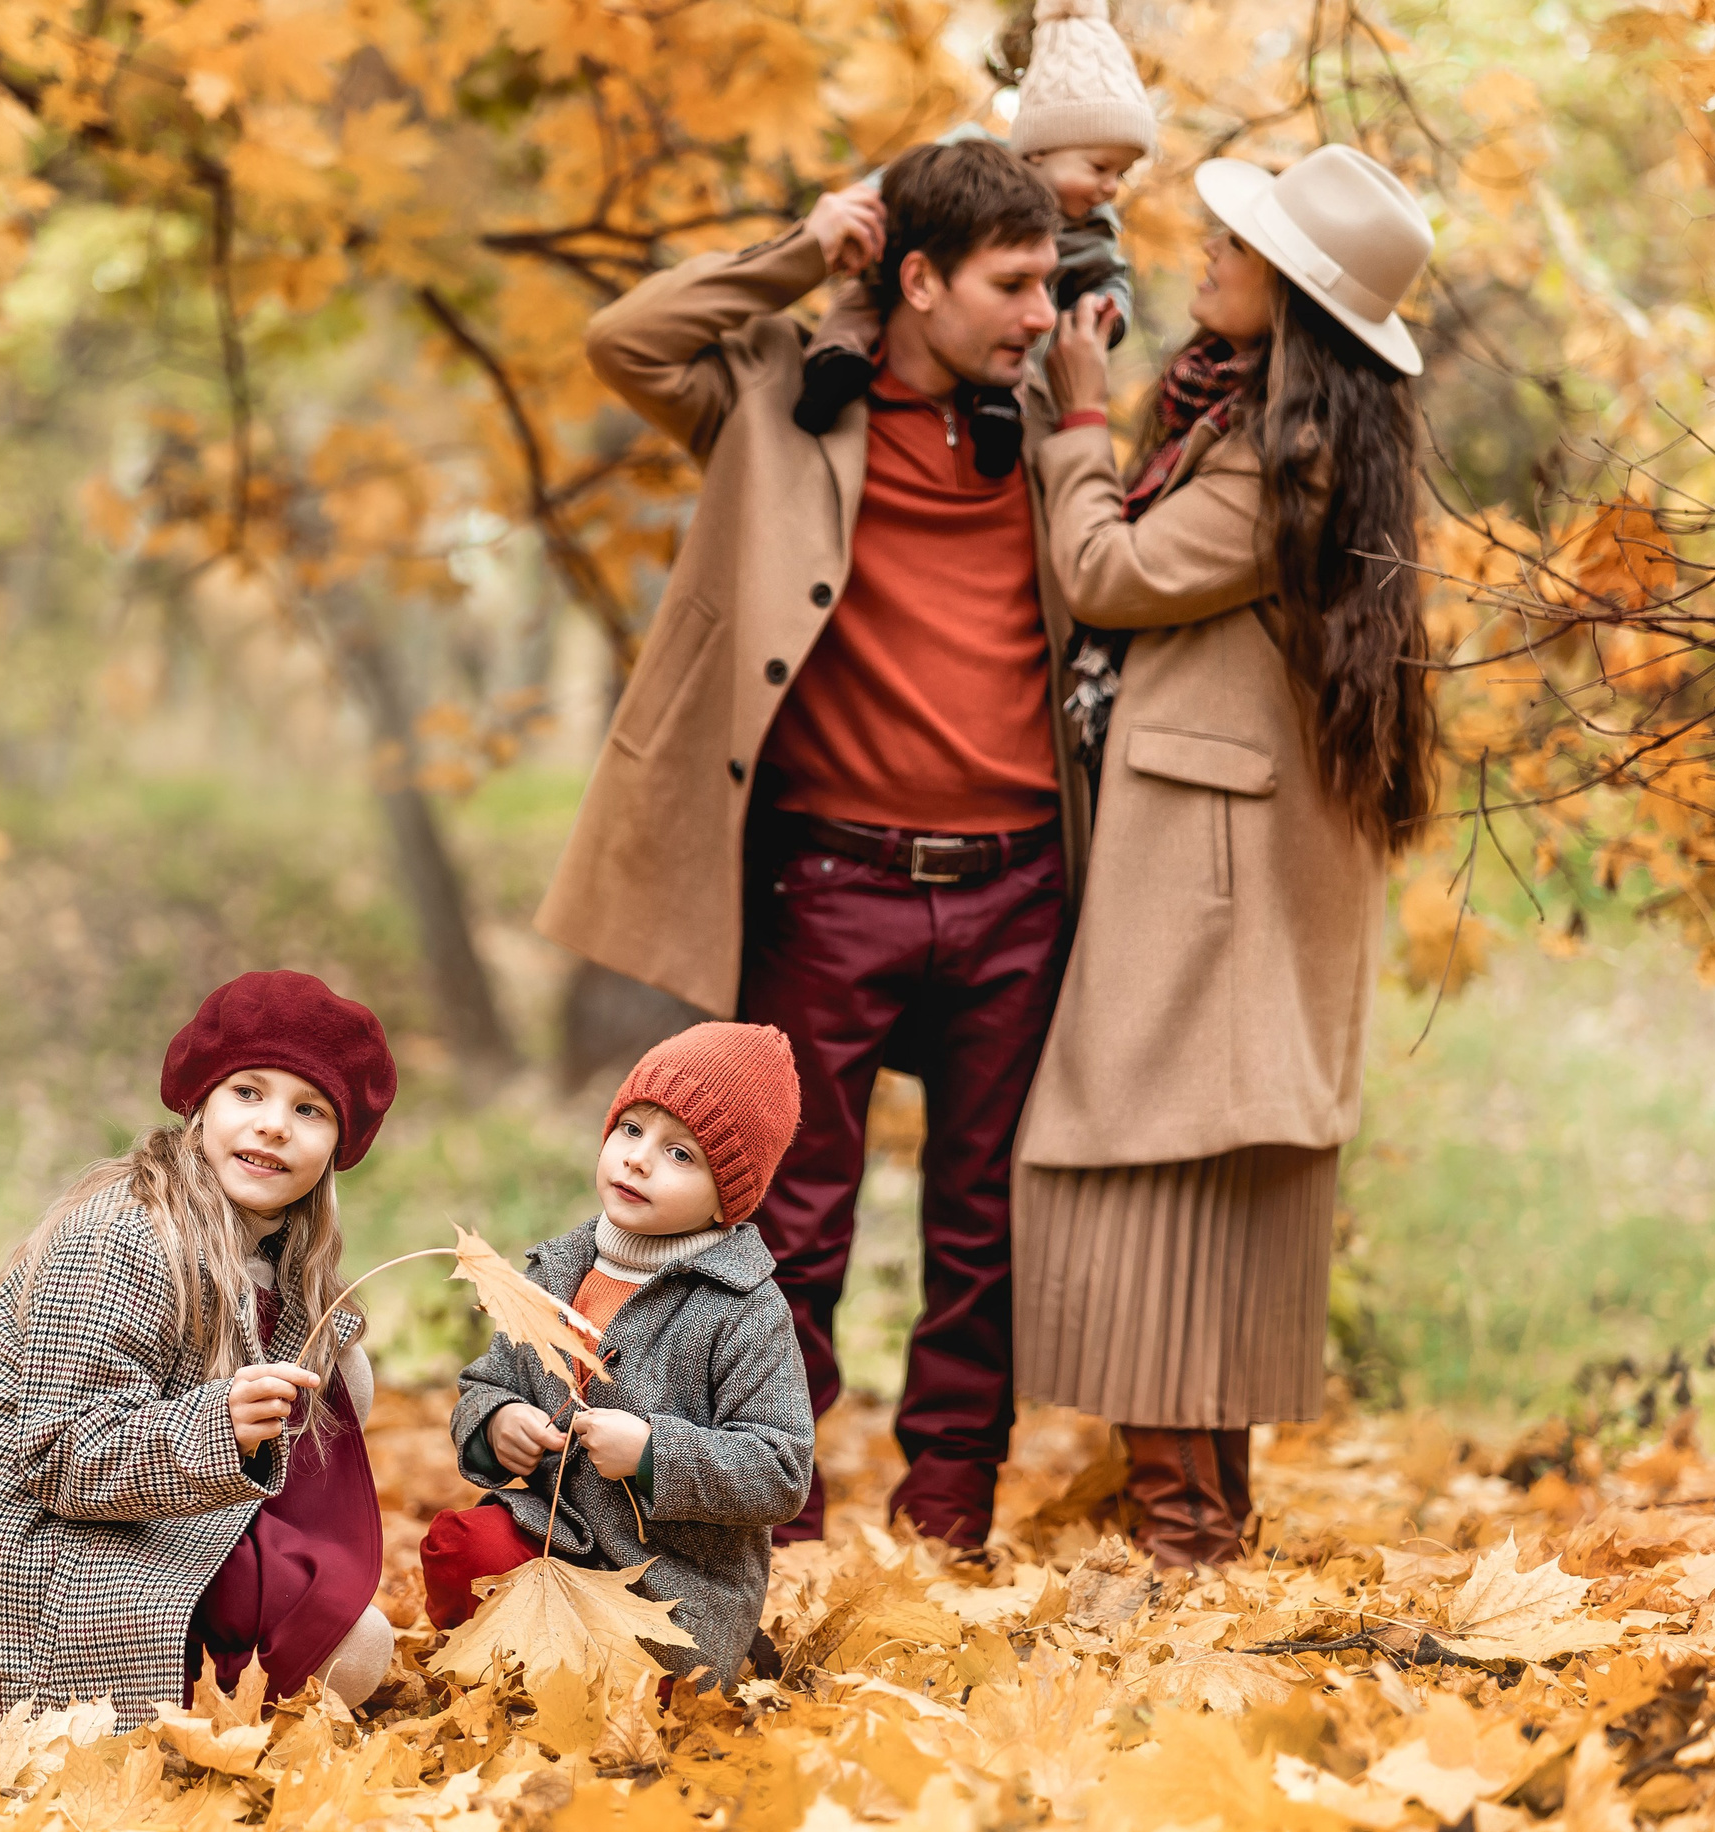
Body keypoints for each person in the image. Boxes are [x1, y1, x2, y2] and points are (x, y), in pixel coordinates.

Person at [537, 139, 1085, 1548]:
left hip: (1022, 877)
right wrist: (797, 251)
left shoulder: (1048, 428)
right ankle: (775, 1514)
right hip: (827, 878)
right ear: (915, 278)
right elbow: (626, 338)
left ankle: (949, 1516)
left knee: (985, 1224)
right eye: (1012, 283)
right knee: (792, 1222)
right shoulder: (777, 394)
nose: (1041, 311)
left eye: (1049, 280)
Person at [1013, 144, 1439, 1566]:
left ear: (1297, 304)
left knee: (1152, 1167)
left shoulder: (1275, 458)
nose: (1206, 253)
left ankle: (1188, 1537)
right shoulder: (1256, 425)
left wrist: (1076, 423)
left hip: (1216, 867)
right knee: (1179, 1178)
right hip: (1220, 854)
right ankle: (1202, 1530)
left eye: (1236, 247)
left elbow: (1109, 577)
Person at [0, 970, 401, 1775]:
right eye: (248, 1092)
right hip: (29, 1585)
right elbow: (59, 1455)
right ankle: (173, 1726)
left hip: (140, 1524)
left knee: (344, 1390)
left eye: (308, 1109)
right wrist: (216, 1425)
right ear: (200, 1104)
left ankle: (224, 1700)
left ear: (339, 1144)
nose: (273, 1127)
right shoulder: (122, 1238)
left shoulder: (269, 1243)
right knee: (355, 1646)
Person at [420, 1023, 813, 1690]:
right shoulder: (554, 1271)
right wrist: (496, 1422)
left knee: (651, 1673)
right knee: (461, 1547)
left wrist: (657, 1452)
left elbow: (781, 1468)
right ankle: (512, 1678)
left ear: (731, 1196)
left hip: (669, 1581)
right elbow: (483, 1382)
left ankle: (605, 1689)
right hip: (552, 1537)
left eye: (681, 1155)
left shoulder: (742, 1306)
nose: (637, 1159)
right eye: (630, 1130)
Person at [794, 0, 1157, 441]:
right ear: (1040, 147)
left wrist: (1108, 310)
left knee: (1032, 334)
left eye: (1121, 174)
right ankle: (834, 362)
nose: (1111, 188)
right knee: (864, 299)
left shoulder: (1093, 226)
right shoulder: (973, 162)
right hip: (909, 281)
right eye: (1099, 168)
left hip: (1006, 350)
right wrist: (852, 212)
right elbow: (904, 181)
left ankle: (1002, 412)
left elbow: (1110, 274)